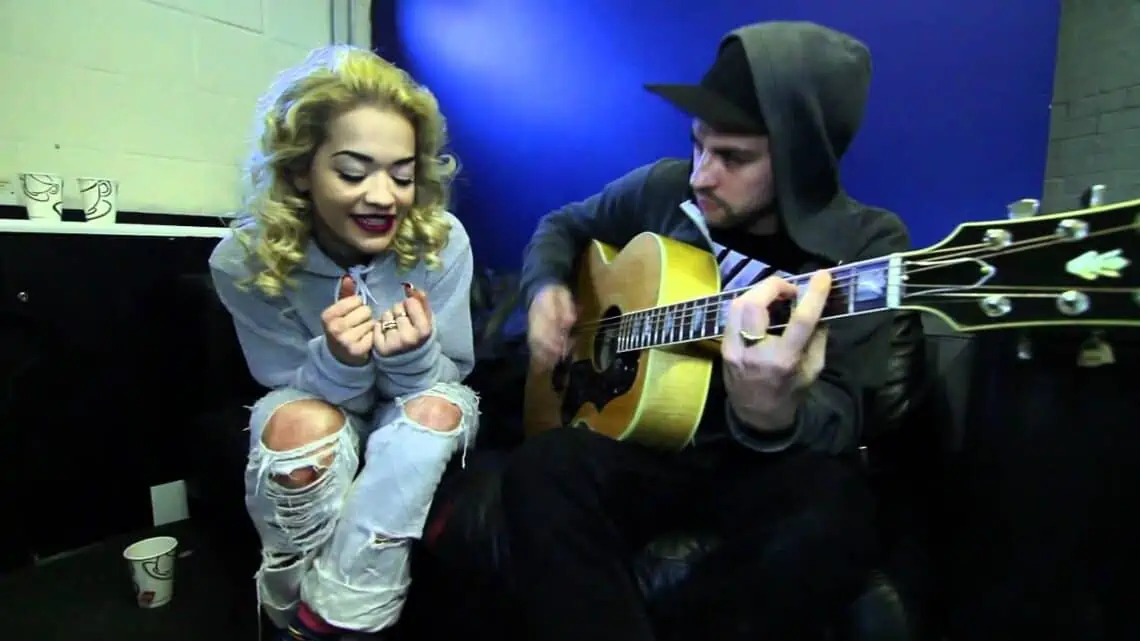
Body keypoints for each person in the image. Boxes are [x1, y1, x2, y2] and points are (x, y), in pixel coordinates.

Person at [507, 20, 911, 641]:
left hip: (767, 471)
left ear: (800, 161)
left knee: (837, 517)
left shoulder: (866, 245)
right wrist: (546, 289)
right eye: (698, 146)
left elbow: (844, 412)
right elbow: (561, 226)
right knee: (542, 467)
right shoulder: (663, 188)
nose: (701, 175)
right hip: (651, 448)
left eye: (733, 158)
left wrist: (771, 414)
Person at [208, 45, 479, 641]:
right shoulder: (241, 261)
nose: (384, 196)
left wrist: (411, 358)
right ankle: (287, 602)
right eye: (354, 173)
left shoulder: (443, 240)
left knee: (434, 413)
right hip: (314, 395)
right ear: (299, 170)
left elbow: (452, 370)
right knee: (297, 429)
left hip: (421, 394)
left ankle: (332, 619)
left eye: (402, 175)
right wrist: (338, 361)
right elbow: (284, 381)